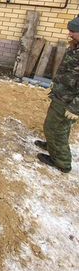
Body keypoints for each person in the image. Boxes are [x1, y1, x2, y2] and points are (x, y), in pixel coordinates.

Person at [34, 16, 79, 173]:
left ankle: (61, 162)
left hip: (69, 101)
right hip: (62, 95)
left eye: (73, 31)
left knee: (56, 128)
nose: (70, 34)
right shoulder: (76, 47)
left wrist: (75, 108)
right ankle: (52, 145)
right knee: (56, 126)